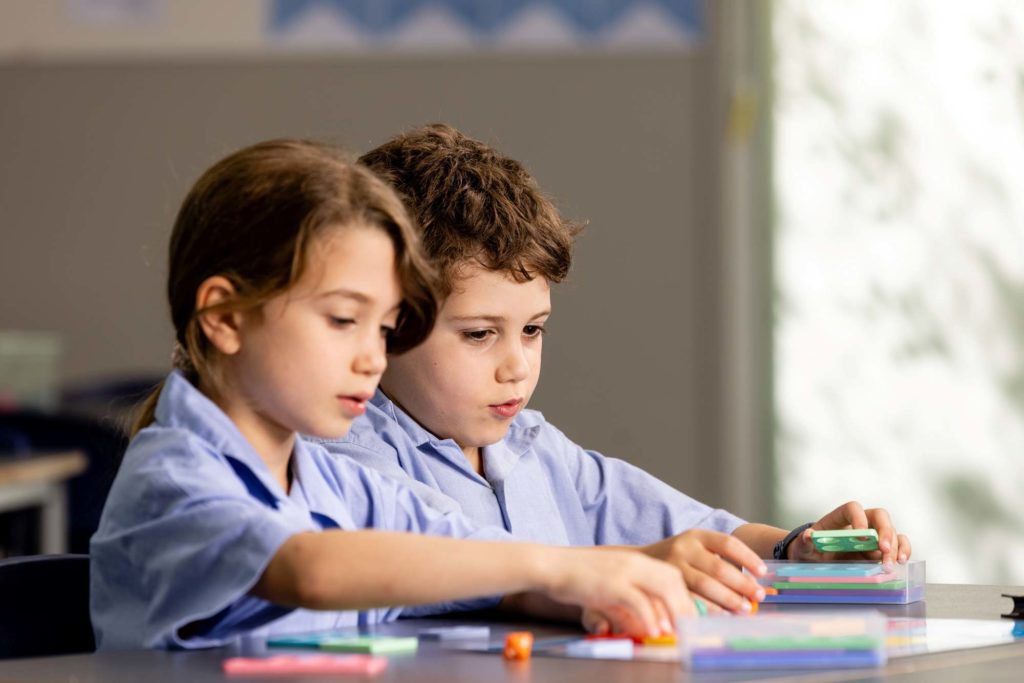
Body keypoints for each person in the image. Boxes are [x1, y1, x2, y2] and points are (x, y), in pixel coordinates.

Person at [89, 139, 692, 650]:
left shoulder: (328, 479)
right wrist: (558, 566)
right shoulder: (172, 479)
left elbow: (466, 555)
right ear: (224, 317)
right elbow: (312, 569)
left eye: (385, 329)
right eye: (343, 320)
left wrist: (593, 592)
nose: (373, 357)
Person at [319, 124, 912, 620]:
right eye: (479, 334)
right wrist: (617, 570)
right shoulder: (342, 449)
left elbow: (691, 530)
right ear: (385, 323)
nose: (517, 367)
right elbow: (432, 556)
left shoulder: (536, 449)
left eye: (533, 330)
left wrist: (793, 550)